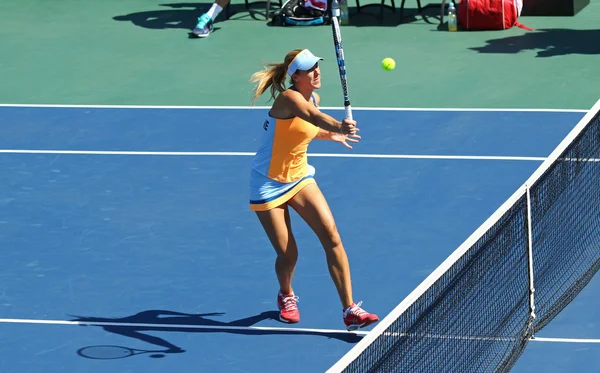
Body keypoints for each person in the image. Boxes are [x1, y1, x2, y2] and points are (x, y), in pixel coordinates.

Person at [248, 48, 379, 331]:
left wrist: (329, 134)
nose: (316, 72)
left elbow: (306, 127)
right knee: (288, 253)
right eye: (310, 69)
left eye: (317, 67)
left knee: (331, 235)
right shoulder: (289, 98)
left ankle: (350, 309)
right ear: (295, 76)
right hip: (268, 184)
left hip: (299, 178)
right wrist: (338, 126)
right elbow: (313, 116)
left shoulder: (313, 97)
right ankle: (286, 295)